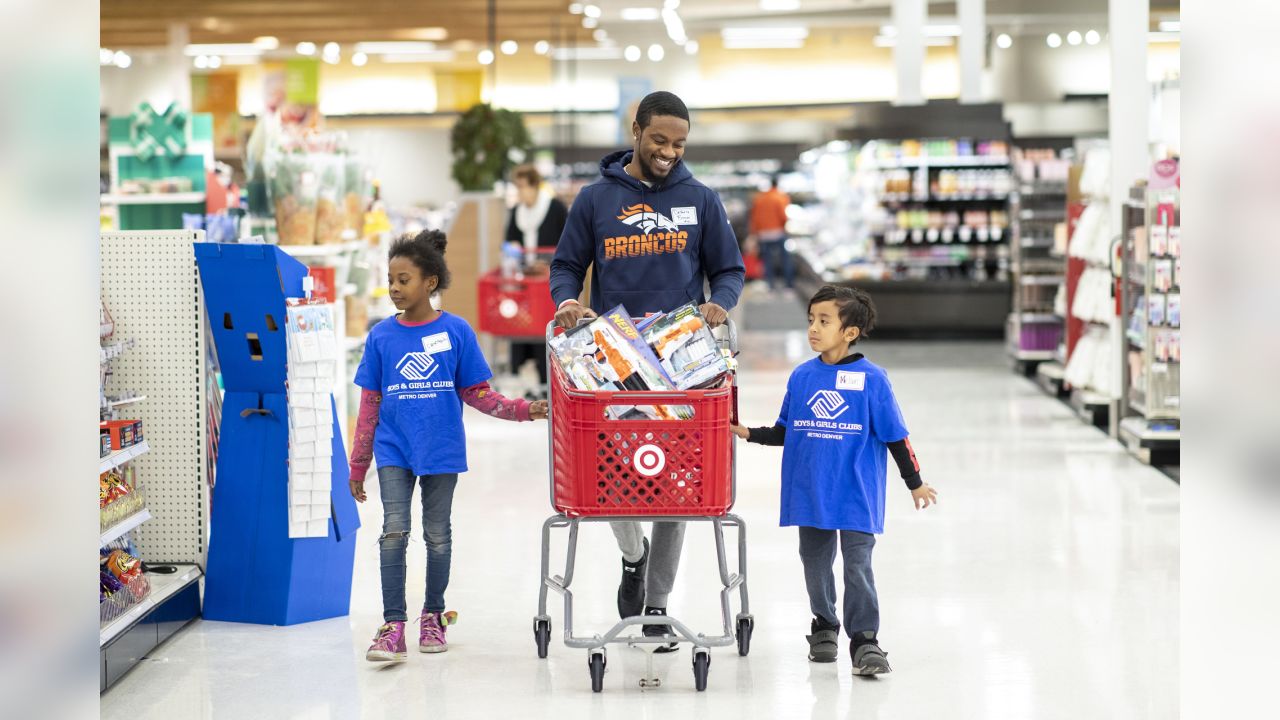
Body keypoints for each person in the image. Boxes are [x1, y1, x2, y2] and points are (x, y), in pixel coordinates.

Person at [550, 90, 746, 651]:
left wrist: (719, 303)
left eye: (680, 143)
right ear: (635, 130)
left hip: (681, 365)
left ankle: (657, 605)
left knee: (678, 486)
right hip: (612, 365)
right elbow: (566, 265)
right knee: (612, 477)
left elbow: (728, 270)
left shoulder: (701, 200)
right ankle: (633, 556)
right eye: (659, 140)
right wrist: (567, 300)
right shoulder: (594, 200)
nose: (668, 152)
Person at [348, 229, 549, 664]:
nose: (395, 288)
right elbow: (369, 405)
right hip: (393, 449)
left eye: (404, 279)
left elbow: (479, 393)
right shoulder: (381, 336)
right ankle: (393, 625)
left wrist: (522, 410)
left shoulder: (456, 331)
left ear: (430, 283)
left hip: (440, 449)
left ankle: (433, 614)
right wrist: (357, 464)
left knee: (437, 536)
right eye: (391, 279)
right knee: (393, 532)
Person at [730, 285, 938, 675]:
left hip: (856, 494)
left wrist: (915, 483)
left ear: (850, 332)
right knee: (814, 561)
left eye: (824, 321)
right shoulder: (802, 376)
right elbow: (786, 430)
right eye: (811, 320)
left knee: (857, 566)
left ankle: (864, 640)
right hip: (810, 492)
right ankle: (824, 625)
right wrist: (750, 433)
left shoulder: (873, 380)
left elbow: (897, 435)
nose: (813, 328)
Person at [504, 164, 569, 388]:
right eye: (517, 186)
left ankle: (546, 379)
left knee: (544, 325)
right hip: (524, 282)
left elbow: (567, 241)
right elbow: (510, 240)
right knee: (521, 326)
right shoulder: (516, 212)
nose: (519, 192)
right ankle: (520, 373)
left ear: (534, 185)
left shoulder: (555, 208)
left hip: (549, 281)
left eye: (522, 186)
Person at [749, 175, 794, 293]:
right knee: (785, 260)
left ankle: (771, 287)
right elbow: (783, 216)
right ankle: (788, 286)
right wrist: (785, 228)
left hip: (764, 235)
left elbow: (755, 217)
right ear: (777, 184)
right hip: (778, 233)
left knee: (767, 261)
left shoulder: (760, 198)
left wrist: (755, 233)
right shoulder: (781, 197)